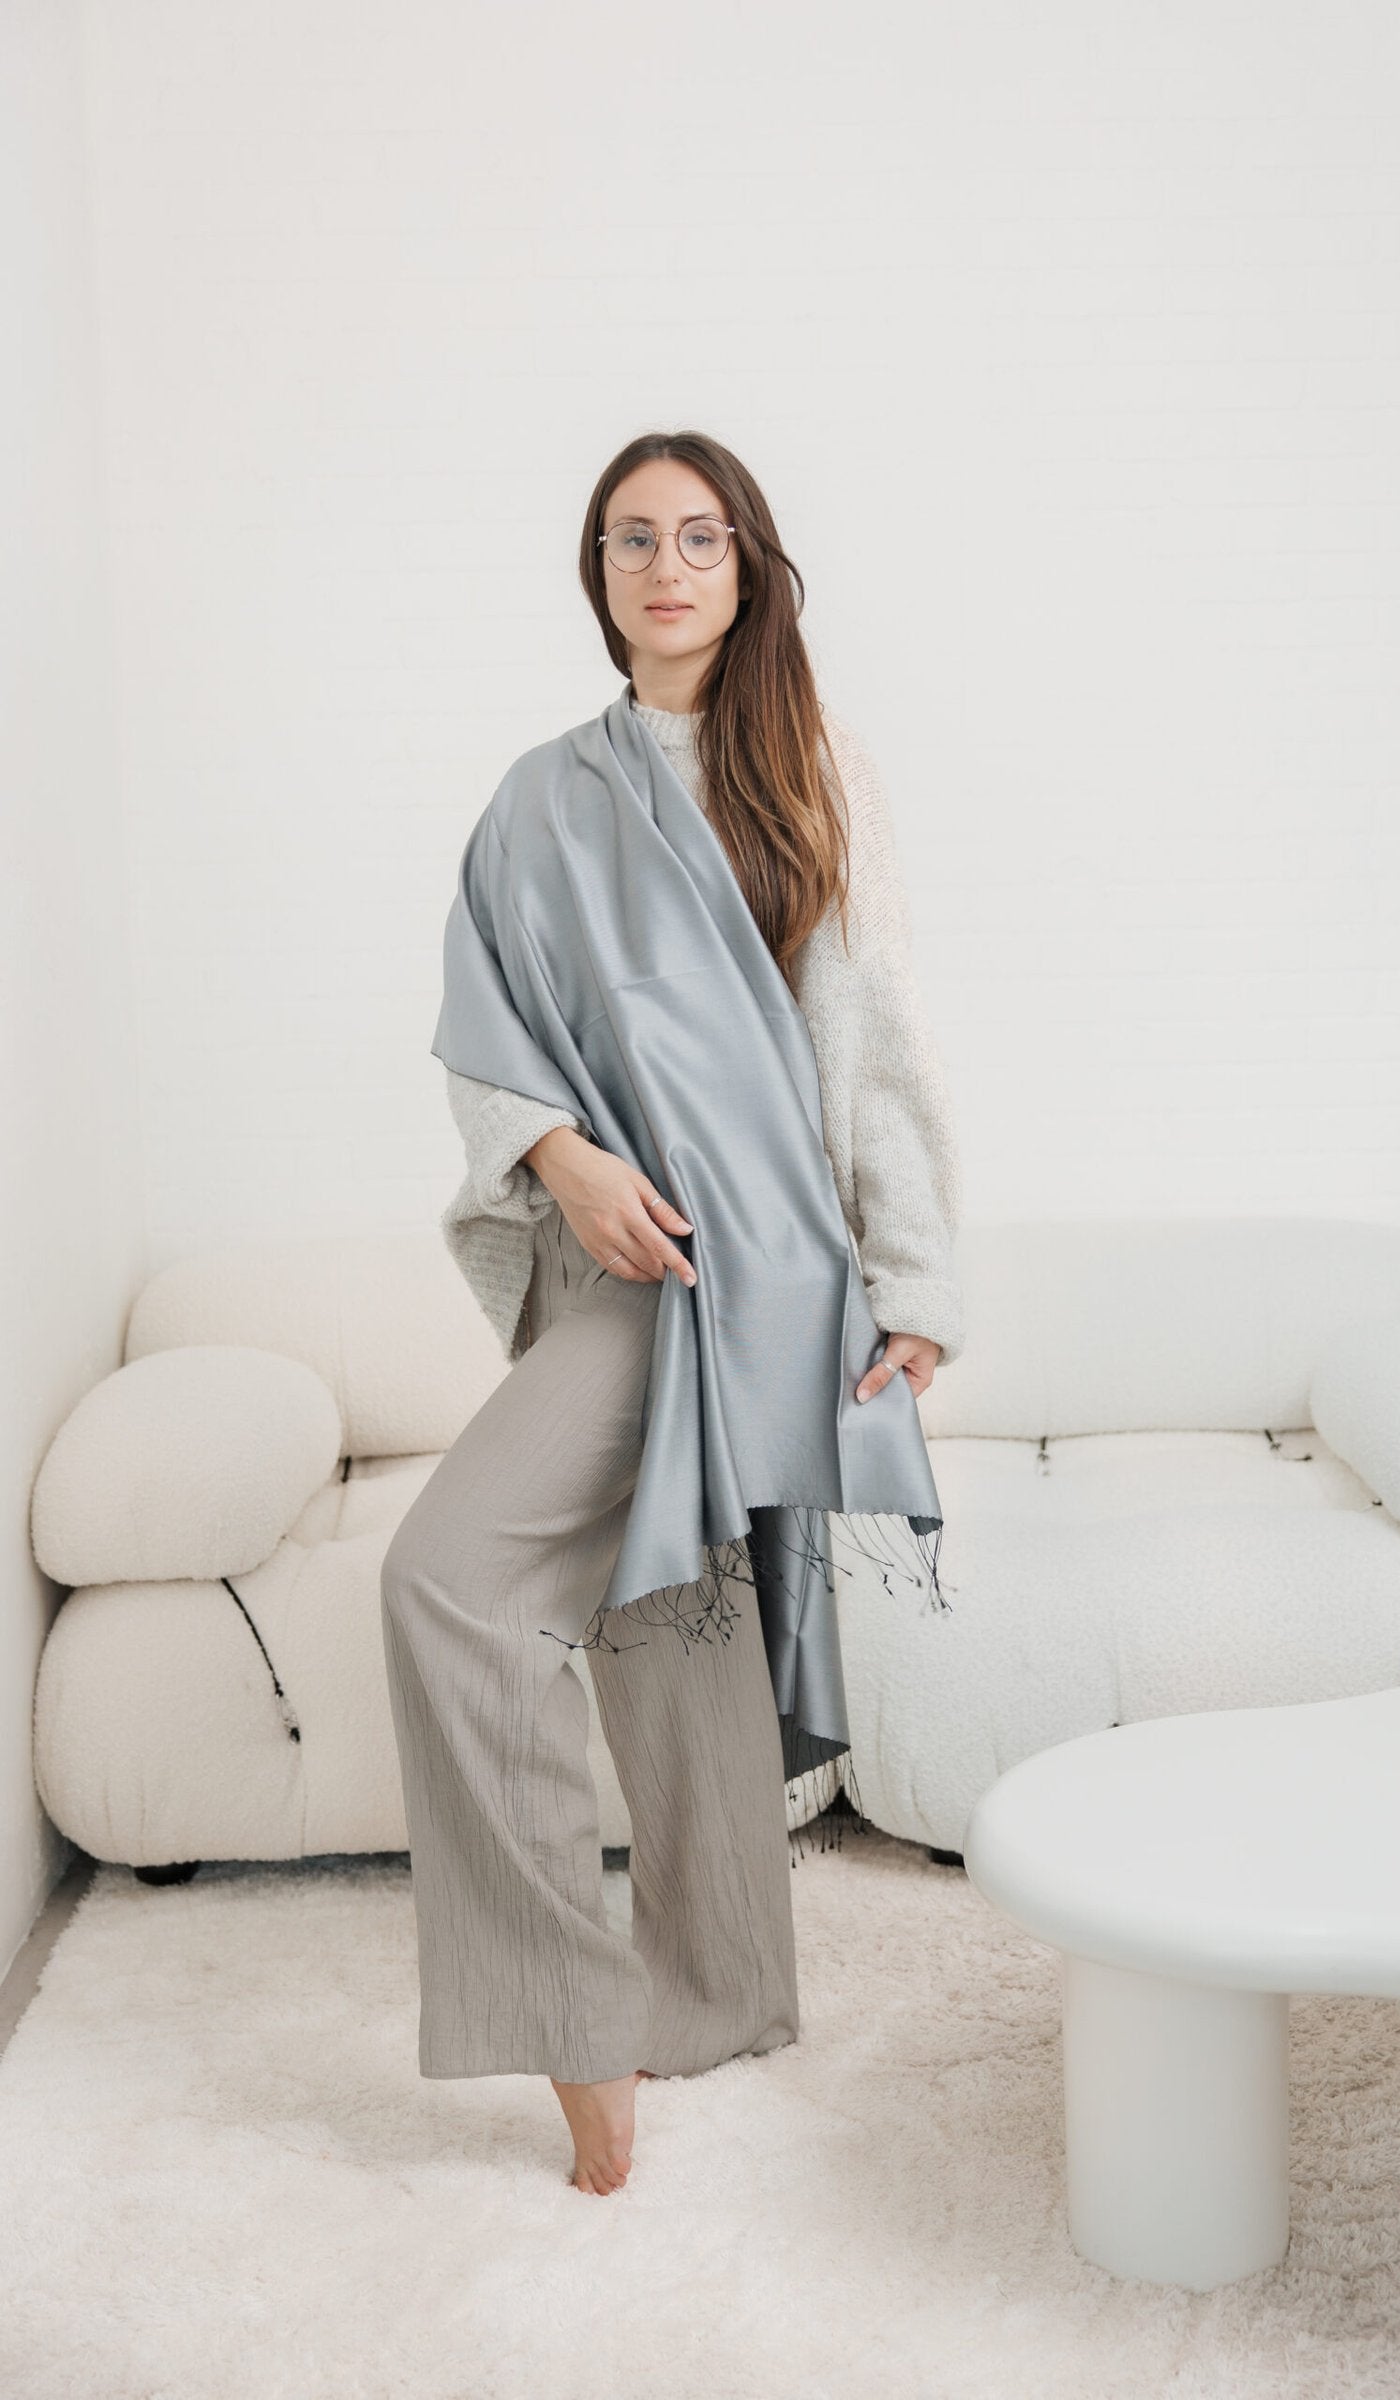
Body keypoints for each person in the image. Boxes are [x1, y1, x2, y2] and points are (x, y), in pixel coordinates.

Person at [380, 430, 964, 2199]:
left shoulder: (805, 769)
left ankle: (590, 2025)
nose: (666, 568)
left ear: (747, 565)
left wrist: (914, 1280)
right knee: (650, 1606)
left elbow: (867, 1029)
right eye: (632, 539)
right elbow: (485, 1029)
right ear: (598, 574)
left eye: (700, 537)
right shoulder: (539, 797)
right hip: (606, 1261)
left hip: (749, 1267)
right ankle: (709, 1995)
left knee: (468, 1583)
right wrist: (561, 1160)